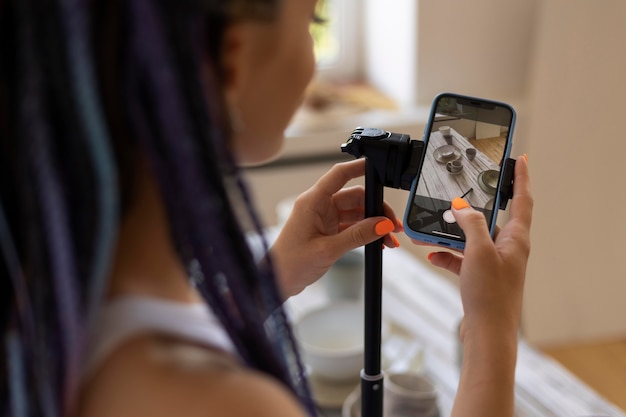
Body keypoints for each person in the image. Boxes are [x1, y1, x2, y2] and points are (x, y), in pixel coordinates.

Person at [0, 1, 532, 417]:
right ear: (233, 61)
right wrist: (493, 332)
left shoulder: (52, 301)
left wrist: (271, 278)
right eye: (313, 18)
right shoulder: (224, 404)